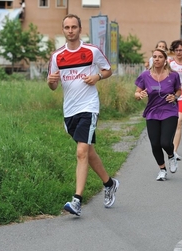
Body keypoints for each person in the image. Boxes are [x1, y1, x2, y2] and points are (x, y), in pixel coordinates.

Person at [47, 14, 119, 216]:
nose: (70, 31)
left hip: (89, 107)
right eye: (67, 27)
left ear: (80, 29)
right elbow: (52, 85)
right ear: (63, 30)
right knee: (87, 151)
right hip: (69, 111)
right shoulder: (57, 56)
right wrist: (51, 81)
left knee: (81, 152)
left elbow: (108, 70)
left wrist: (97, 76)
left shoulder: (91, 51)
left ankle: (77, 200)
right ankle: (109, 183)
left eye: (74, 27)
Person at [134, 48, 181, 181]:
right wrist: (140, 94)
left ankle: (171, 156)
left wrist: (175, 97)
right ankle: (162, 169)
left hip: (169, 111)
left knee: (165, 142)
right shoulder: (145, 76)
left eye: (160, 57)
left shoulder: (173, 75)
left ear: (165, 60)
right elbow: (136, 93)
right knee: (155, 144)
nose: (157, 59)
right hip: (152, 112)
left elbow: (178, 90)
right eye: (154, 57)